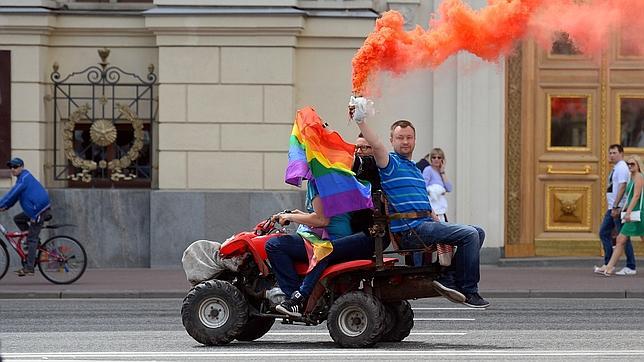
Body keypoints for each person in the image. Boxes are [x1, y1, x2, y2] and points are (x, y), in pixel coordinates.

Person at [349, 97, 489, 308]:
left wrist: (438, 222)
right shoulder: (389, 163)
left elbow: (426, 206)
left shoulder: (415, 169)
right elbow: (375, 144)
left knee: (477, 231)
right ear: (392, 140)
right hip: (410, 231)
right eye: (400, 138)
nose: (405, 141)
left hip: (426, 225)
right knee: (469, 234)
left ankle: (448, 277)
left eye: (409, 137)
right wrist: (360, 120)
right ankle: (469, 290)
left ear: (415, 140)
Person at [265, 180, 375, 317]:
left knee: (274, 245)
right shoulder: (339, 179)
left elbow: (322, 220)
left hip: (330, 240)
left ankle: (295, 298)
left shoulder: (317, 182)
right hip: (344, 236)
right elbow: (328, 215)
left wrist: (290, 217)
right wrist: (298, 215)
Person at [0, 157, 51, 276]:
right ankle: (32, 242)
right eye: (11, 167)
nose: (13, 169)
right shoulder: (21, 179)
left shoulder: (24, 179)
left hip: (39, 211)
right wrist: (5, 207)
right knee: (18, 218)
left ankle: (29, 268)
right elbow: (14, 197)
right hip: (34, 210)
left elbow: (11, 194)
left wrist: (2, 203)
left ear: (22, 167)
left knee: (32, 239)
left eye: (15, 167)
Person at [594, 144, 637, 276]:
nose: (611, 155)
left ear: (621, 153)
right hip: (613, 207)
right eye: (610, 153)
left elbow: (622, 186)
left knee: (621, 237)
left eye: (614, 153)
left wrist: (616, 206)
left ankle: (629, 265)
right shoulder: (616, 168)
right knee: (609, 234)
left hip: (617, 208)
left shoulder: (622, 168)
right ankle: (609, 264)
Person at [603, 155, 644, 276]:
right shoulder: (632, 177)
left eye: (632, 164)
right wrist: (623, 209)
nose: (630, 166)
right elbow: (630, 196)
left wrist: (628, 212)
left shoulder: (639, 177)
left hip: (637, 213)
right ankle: (609, 267)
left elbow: (636, 196)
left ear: (638, 165)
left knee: (620, 239)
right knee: (622, 240)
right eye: (628, 164)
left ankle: (609, 267)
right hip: (634, 212)